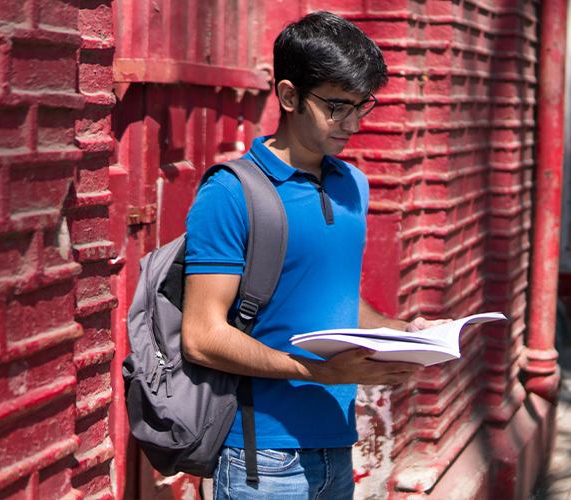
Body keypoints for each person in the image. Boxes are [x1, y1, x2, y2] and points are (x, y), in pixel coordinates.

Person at [181, 11, 449, 499]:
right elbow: (202, 336)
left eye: (360, 107)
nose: (351, 123)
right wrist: (320, 372)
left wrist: (402, 331)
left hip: (336, 444)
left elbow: (335, 299)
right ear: (288, 96)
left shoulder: (353, 185)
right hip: (260, 457)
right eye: (336, 107)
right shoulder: (231, 192)